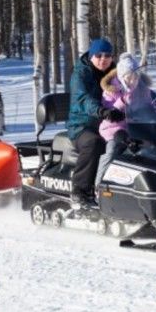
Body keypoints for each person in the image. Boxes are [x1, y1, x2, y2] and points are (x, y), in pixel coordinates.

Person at [66, 38, 122, 207]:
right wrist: (102, 111)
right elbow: (83, 98)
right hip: (82, 125)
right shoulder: (81, 74)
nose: (103, 59)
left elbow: (134, 87)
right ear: (91, 56)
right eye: (98, 55)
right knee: (94, 142)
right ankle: (80, 191)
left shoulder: (116, 73)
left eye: (107, 55)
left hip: (109, 124)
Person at [95, 52, 152, 186]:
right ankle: (98, 185)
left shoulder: (142, 89)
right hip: (114, 128)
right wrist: (122, 101)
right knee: (113, 149)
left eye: (135, 76)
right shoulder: (111, 90)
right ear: (121, 77)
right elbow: (108, 111)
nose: (132, 80)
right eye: (128, 77)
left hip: (136, 127)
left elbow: (150, 105)